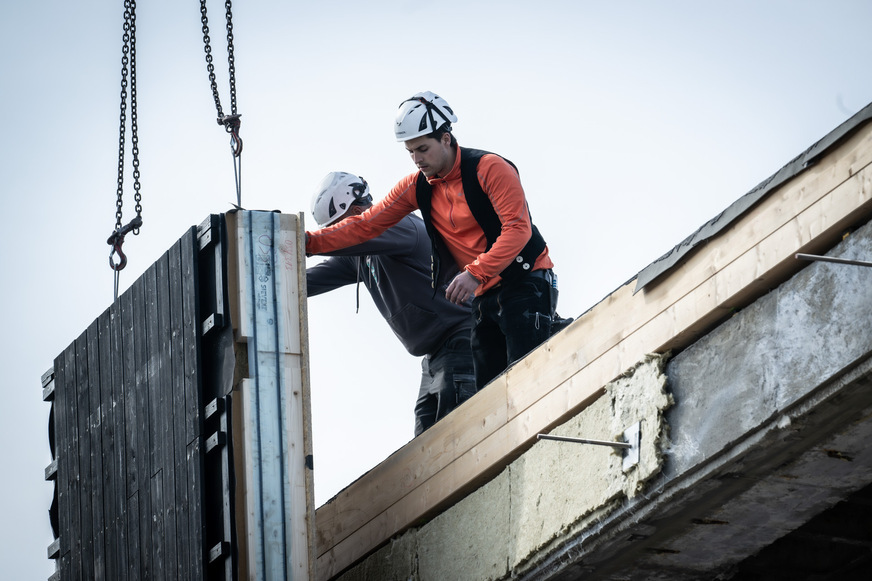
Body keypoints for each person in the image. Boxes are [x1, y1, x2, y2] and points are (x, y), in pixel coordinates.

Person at [306, 92, 563, 389]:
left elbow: (518, 229)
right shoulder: (417, 186)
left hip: (524, 279)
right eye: (410, 152)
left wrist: (474, 273)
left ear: (446, 138)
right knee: (491, 396)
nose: (417, 159)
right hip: (483, 296)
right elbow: (367, 225)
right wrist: (307, 243)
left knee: (527, 375)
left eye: (423, 149)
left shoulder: (489, 168)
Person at [305, 171, 476, 436]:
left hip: (461, 341)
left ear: (355, 211)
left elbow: (357, 234)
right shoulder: (359, 256)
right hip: (433, 357)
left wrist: (306, 242)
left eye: (338, 226)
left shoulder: (397, 226)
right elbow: (305, 281)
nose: (336, 235)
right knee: (426, 445)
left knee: (459, 437)